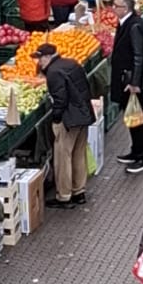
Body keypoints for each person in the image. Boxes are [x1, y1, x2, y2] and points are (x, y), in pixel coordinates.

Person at [35, 39, 96, 207]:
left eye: (40, 58)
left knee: (63, 157)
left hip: (69, 119)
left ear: (48, 57)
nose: (39, 62)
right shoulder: (72, 63)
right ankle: (79, 191)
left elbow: (60, 100)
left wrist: (56, 119)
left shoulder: (53, 72)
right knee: (79, 153)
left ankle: (64, 196)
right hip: (84, 115)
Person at [110, 0, 143, 174]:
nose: (113, 8)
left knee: (136, 119)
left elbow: (138, 56)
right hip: (126, 79)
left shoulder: (134, 26)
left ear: (126, 8)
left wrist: (135, 83)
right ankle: (136, 151)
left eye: (116, 6)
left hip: (131, 82)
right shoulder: (126, 23)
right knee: (132, 117)